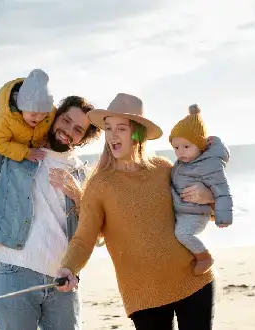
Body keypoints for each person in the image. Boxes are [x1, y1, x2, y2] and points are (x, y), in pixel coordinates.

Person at [56, 93, 218, 330]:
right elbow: (84, 238)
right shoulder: (99, 184)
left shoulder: (162, 169)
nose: (112, 135)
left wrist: (209, 197)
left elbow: (197, 210)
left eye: (120, 128)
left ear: (137, 133)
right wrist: (68, 267)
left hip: (192, 279)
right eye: (108, 128)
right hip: (143, 294)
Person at [0, 94, 102, 330]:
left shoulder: (83, 175)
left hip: (63, 278)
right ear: (53, 116)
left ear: (82, 139)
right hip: (15, 272)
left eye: (78, 129)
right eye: (65, 120)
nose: (68, 130)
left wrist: (78, 196)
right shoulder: (14, 156)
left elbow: (97, 235)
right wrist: (13, 105)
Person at [169, 103, 234, 275]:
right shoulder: (184, 162)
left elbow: (222, 191)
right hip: (183, 210)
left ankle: (204, 257)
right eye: (176, 148)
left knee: (182, 234)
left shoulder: (209, 165)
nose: (180, 152)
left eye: (186, 146)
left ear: (200, 145)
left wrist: (223, 218)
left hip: (197, 213)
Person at [0, 69, 56, 162]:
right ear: (21, 107)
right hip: (8, 153)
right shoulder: (5, 118)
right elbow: (0, 143)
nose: (39, 118)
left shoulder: (51, 112)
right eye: (33, 114)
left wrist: (45, 139)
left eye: (44, 114)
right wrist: (26, 153)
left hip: (36, 152)